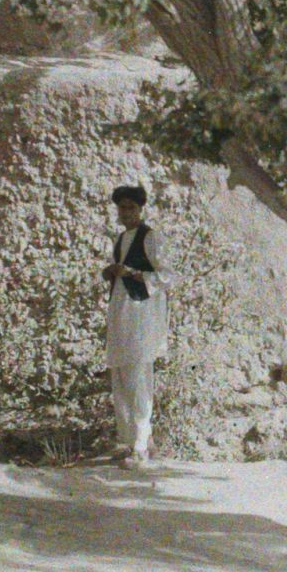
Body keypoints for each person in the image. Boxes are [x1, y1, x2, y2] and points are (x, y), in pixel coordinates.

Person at [102, 183, 168, 465]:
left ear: (141, 209)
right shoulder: (120, 239)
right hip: (121, 311)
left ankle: (140, 445)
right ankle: (133, 440)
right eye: (122, 208)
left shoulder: (151, 237)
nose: (126, 213)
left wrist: (132, 273)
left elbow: (166, 275)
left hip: (142, 313)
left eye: (131, 207)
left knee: (138, 372)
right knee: (121, 372)